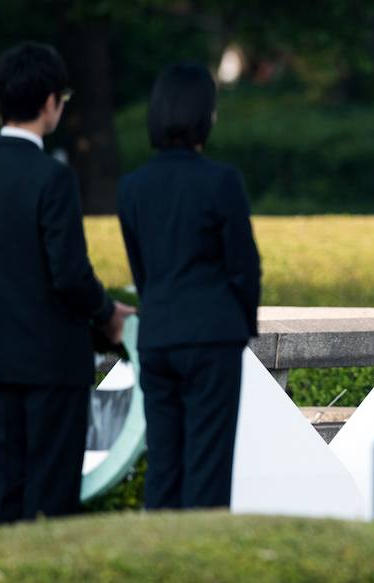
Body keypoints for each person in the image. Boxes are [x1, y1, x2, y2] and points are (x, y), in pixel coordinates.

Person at [0, 42, 134, 524]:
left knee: (5, 487)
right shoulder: (53, 178)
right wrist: (108, 314)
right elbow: (69, 273)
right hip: (53, 362)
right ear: (50, 101)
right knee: (51, 494)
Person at [117, 63, 261, 509]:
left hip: (159, 337)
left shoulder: (132, 187)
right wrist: (240, 322)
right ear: (206, 116)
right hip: (212, 337)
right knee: (208, 467)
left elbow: (142, 272)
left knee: (164, 464)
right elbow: (244, 267)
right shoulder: (221, 182)